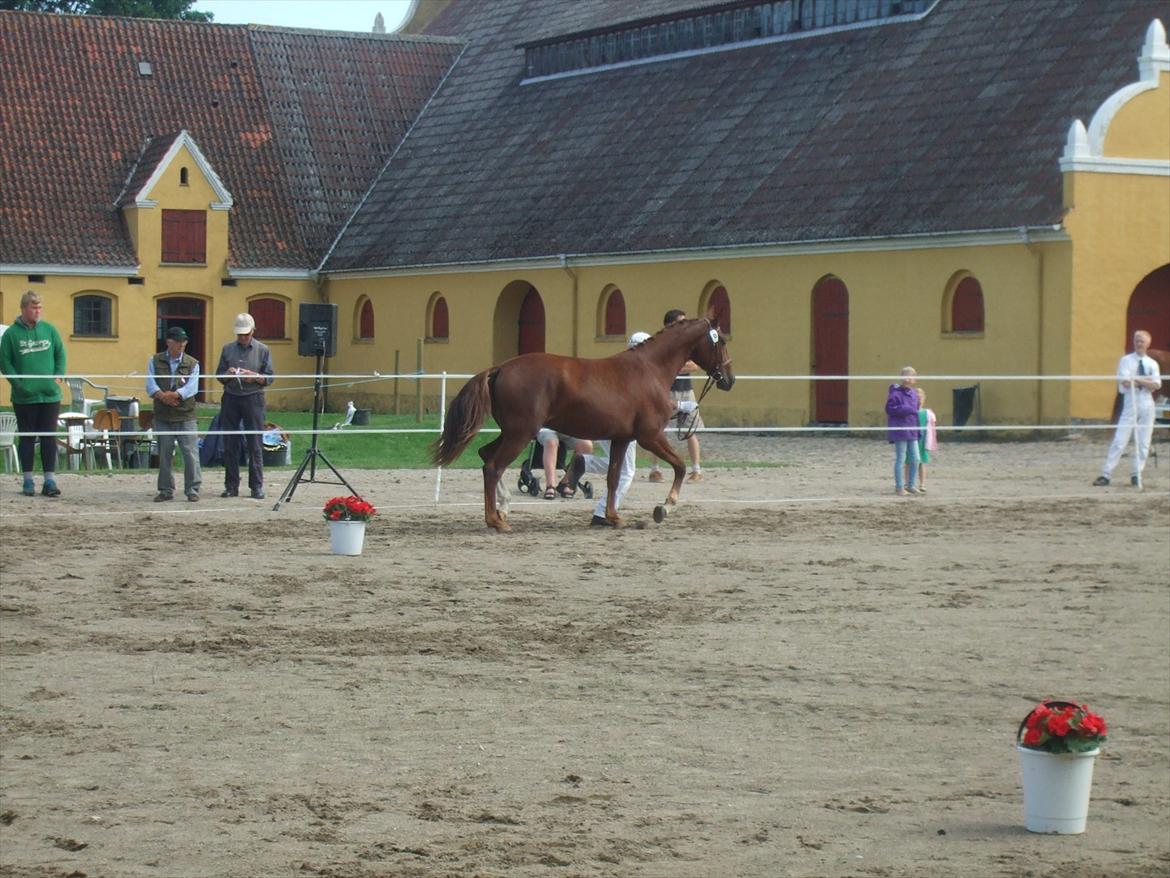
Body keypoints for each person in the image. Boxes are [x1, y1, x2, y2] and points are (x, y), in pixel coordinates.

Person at [0, 291, 66, 497]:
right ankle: (27, 480)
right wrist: (18, 384)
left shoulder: (50, 330)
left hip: (49, 395)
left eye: (39, 307)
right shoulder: (11, 334)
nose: (37, 311)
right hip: (25, 397)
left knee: (49, 437)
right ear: (24, 308)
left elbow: (60, 354)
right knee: (27, 438)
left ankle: (49, 480)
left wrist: (58, 376)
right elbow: (5, 362)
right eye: (33, 307)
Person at [215, 313, 274, 499]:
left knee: (254, 443)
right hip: (231, 397)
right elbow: (218, 375)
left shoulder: (263, 350)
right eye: (239, 334)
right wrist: (229, 374)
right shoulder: (227, 349)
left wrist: (255, 377)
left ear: (253, 331)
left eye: (246, 334)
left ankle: (256, 486)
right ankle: (231, 485)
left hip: (253, 398)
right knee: (230, 443)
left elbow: (270, 377)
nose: (242, 338)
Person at [1094, 330, 1162, 488]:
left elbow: (1157, 385)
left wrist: (1136, 379)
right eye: (1137, 340)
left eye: (1142, 341)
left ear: (1148, 344)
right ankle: (1106, 474)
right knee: (1120, 439)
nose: (1139, 343)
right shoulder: (1125, 361)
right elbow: (1125, 382)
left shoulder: (1152, 364)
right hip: (1131, 402)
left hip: (1147, 402)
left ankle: (1136, 474)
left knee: (1144, 441)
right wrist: (1146, 381)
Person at [146, 326, 202, 502]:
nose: (182, 344)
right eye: (178, 341)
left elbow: (192, 387)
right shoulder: (154, 361)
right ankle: (165, 490)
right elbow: (150, 384)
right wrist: (163, 396)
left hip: (186, 415)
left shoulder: (193, 363)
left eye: (184, 341)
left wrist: (177, 395)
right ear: (169, 342)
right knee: (164, 453)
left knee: (191, 454)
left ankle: (192, 489)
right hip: (163, 416)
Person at [647, 309, 703, 482]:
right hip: (665, 391)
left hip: (686, 391)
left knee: (690, 430)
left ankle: (696, 470)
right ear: (670, 324)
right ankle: (655, 470)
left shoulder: (688, 344)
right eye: (681, 322)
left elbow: (695, 365)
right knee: (656, 430)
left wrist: (673, 367)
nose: (684, 325)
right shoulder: (662, 344)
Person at [886, 366, 921, 496]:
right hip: (900, 430)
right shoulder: (895, 393)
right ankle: (899, 486)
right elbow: (890, 409)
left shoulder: (913, 394)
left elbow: (916, 410)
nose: (911, 379)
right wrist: (907, 409)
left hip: (912, 429)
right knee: (901, 458)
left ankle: (911, 484)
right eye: (909, 376)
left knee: (916, 458)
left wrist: (918, 429)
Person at [904, 386, 937, 492]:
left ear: (924, 398)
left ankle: (922, 484)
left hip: (922, 441)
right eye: (916, 398)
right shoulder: (909, 412)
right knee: (908, 462)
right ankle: (907, 482)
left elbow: (931, 429)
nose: (918, 400)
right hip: (910, 439)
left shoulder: (927, 413)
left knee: (921, 462)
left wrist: (930, 442)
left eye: (920, 397)